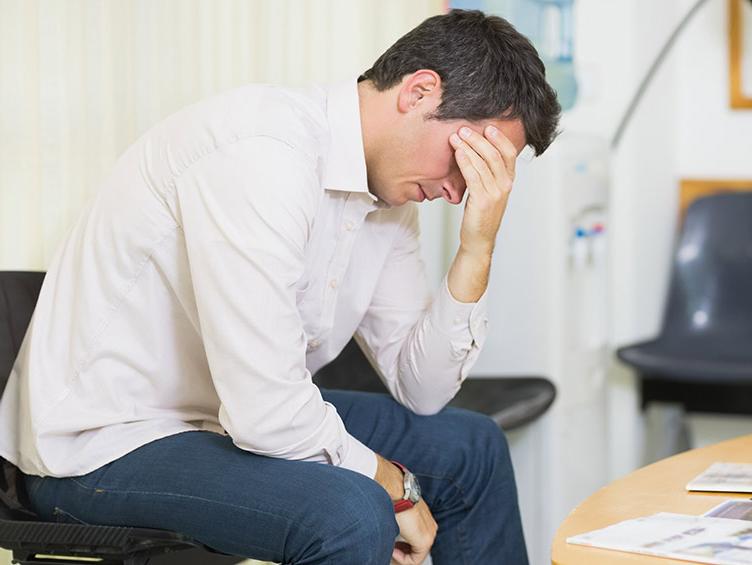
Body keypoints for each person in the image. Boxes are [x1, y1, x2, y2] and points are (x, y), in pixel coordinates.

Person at [0, 9, 560, 565]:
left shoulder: (388, 201)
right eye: (467, 159)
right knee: (353, 509)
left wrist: (477, 245)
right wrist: (393, 483)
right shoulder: (261, 150)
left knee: (471, 448)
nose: (460, 191)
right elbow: (266, 412)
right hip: (102, 448)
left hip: (220, 419)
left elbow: (423, 389)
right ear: (418, 93)